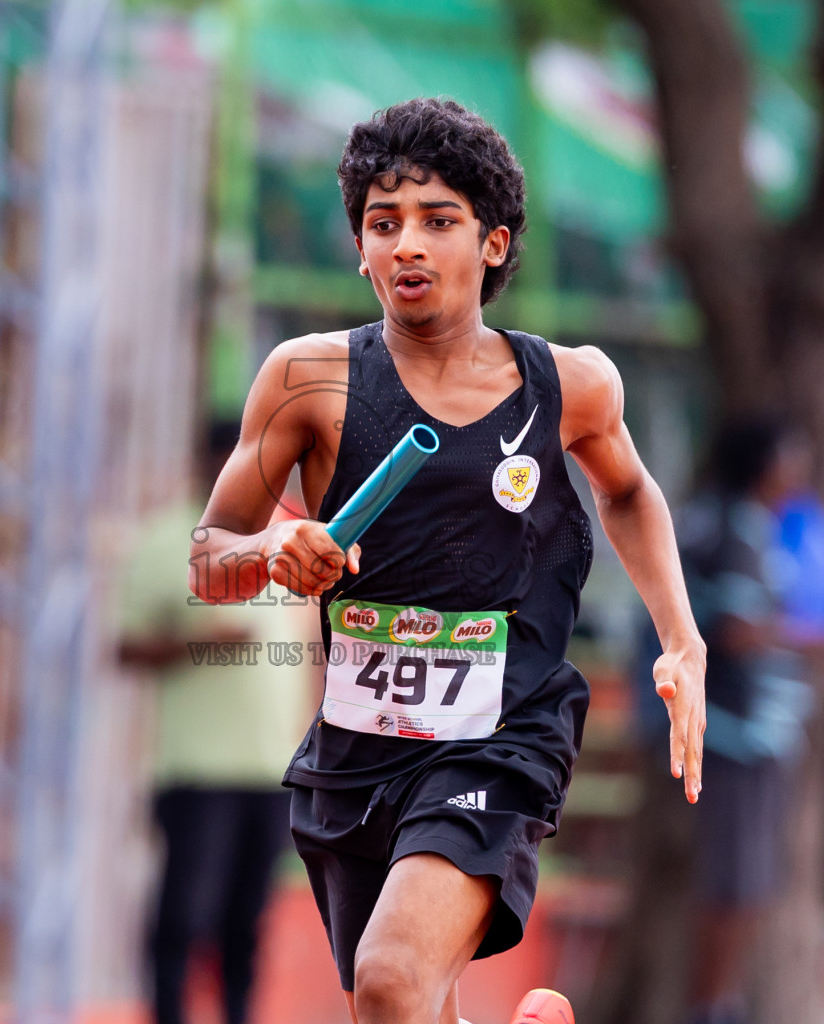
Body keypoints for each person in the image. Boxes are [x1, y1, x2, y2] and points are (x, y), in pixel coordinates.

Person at [188, 98, 706, 1024]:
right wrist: (274, 548)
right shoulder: (307, 381)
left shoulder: (569, 387)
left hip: (501, 733)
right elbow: (208, 560)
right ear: (359, 250)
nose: (407, 247)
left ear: (494, 243)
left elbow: (626, 491)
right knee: (404, 1005)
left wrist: (681, 638)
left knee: (390, 976)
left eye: (438, 221)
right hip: (356, 750)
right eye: (382, 225)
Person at [120, 424, 314, 1024]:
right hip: (196, 769)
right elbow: (124, 649)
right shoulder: (164, 542)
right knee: (183, 915)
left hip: (270, 771)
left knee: (247, 921)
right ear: (204, 461)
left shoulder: (292, 542)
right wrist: (198, 642)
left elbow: (309, 657)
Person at [674, 415, 814, 1024]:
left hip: (760, 739)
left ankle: (722, 1001)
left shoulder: (755, 529)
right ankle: (710, 1006)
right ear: (764, 464)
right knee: (731, 883)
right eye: (791, 455)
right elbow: (733, 630)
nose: (800, 470)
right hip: (733, 736)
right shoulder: (730, 530)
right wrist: (814, 636)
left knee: (751, 882)